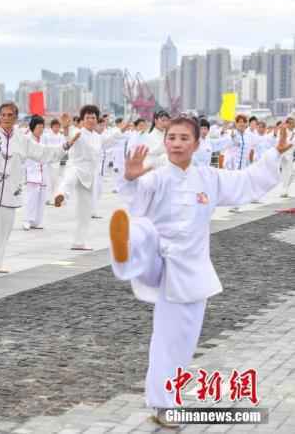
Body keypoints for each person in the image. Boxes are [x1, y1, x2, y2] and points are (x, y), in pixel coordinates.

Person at [108, 118, 291, 428]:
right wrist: (130, 178)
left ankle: (166, 401)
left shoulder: (209, 178)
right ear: (164, 142)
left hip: (190, 269)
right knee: (142, 229)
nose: (176, 143)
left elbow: (248, 182)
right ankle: (125, 248)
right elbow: (135, 198)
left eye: (183, 138)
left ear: (196, 143)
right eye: (171, 137)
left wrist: (275, 153)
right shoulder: (157, 177)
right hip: (156, 260)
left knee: (178, 339)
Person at [0, 102, 75, 272]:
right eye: (4, 115)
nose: (6, 118)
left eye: (10, 115)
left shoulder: (23, 140)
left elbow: (44, 153)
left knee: (4, 227)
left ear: (15, 117)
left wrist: (66, 145)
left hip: (10, 188)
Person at [55, 105, 128, 250]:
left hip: (89, 175)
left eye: (93, 117)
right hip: (75, 167)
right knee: (68, 181)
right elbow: (70, 134)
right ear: (82, 120)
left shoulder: (98, 137)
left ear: (96, 119)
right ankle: (60, 196)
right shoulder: (78, 132)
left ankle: (79, 242)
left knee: (85, 210)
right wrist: (66, 127)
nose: (91, 120)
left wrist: (122, 130)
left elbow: (110, 140)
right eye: (87, 117)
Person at [23, 115, 49, 230]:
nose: (41, 130)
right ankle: (27, 220)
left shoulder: (44, 139)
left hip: (43, 172)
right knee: (31, 198)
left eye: (42, 127)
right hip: (32, 173)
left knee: (41, 198)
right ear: (33, 127)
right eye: (39, 127)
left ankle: (37, 221)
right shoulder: (27, 139)